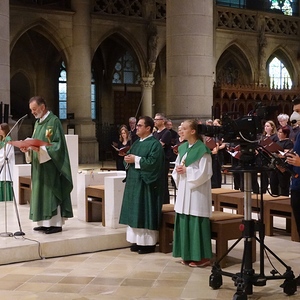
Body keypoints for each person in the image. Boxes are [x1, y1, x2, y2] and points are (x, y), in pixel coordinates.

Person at [20, 96, 73, 234]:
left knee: (50, 193)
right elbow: (34, 141)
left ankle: (55, 224)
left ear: (42, 107)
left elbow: (58, 146)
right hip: (39, 166)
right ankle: (43, 222)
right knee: (40, 193)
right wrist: (28, 148)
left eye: (34, 109)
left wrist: (42, 149)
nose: (32, 112)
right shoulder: (38, 124)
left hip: (50, 167)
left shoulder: (54, 121)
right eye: (31, 110)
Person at [119, 116, 164, 254]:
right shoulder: (137, 143)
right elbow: (130, 158)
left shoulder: (154, 144)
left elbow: (154, 163)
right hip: (134, 182)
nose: (136, 127)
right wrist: (127, 159)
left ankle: (147, 244)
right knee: (135, 211)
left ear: (148, 128)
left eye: (139, 125)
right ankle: (137, 241)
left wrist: (136, 159)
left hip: (145, 184)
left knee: (144, 211)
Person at [172, 119, 213, 268]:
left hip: (197, 192)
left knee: (196, 220)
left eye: (183, 128)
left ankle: (202, 256)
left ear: (193, 131)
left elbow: (205, 172)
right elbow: (178, 165)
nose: (180, 131)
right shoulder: (183, 148)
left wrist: (187, 171)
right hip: (184, 189)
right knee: (184, 218)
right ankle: (187, 254)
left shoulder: (202, 150)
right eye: (180, 128)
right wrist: (178, 170)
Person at [285, 97, 300, 237]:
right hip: (296, 184)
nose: (296, 115)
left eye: (299, 111)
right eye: (295, 111)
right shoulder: (299, 132)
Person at [153, 113, 172, 204]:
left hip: (163, 161)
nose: (155, 121)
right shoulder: (155, 133)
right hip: (156, 161)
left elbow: (159, 146)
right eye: (154, 119)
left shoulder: (167, 132)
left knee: (163, 183)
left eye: (157, 119)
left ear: (163, 121)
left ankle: (165, 203)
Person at [269, 126, 293, 196]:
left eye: (280, 132)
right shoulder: (276, 142)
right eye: (278, 132)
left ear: (285, 134)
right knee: (273, 185)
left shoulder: (288, 143)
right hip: (274, 166)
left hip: (283, 167)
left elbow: (286, 154)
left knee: (283, 186)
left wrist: (280, 154)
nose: (278, 134)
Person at [0, 123, 15, 202]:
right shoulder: (1, 141)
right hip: (1, 167)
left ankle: (8, 200)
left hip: (6, 167)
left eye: (0, 129)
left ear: (4, 130)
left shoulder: (8, 141)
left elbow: (7, 156)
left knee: (5, 181)